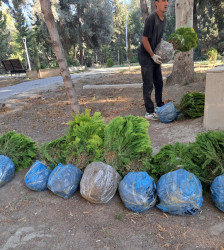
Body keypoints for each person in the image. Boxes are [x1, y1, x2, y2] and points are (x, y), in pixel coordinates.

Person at [138, 0, 168, 120]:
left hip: (154, 55)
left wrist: (166, 46)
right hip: (146, 56)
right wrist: (152, 55)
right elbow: (144, 40)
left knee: (159, 82)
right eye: (163, 1)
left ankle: (159, 106)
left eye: (167, 1)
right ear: (156, 3)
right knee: (148, 84)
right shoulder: (151, 18)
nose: (166, 3)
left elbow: (159, 38)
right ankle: (149, 112)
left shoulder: (164, 19)